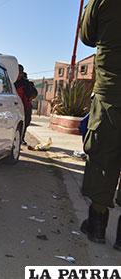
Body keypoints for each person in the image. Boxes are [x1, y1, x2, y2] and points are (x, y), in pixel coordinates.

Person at [79, 0, 121, 251]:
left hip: (111, 95)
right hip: (110, 94)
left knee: (102, 161)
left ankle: (96, 227)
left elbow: (87, 36)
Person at [14, 64, 37, 144]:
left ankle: (21, 138)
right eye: (17, 73)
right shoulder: (11, 81)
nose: (19, 75)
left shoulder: (27, 83)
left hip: (25, 107)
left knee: (25, 123)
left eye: (20, 73)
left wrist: (30, 96)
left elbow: (34, 94)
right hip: (14, 107)